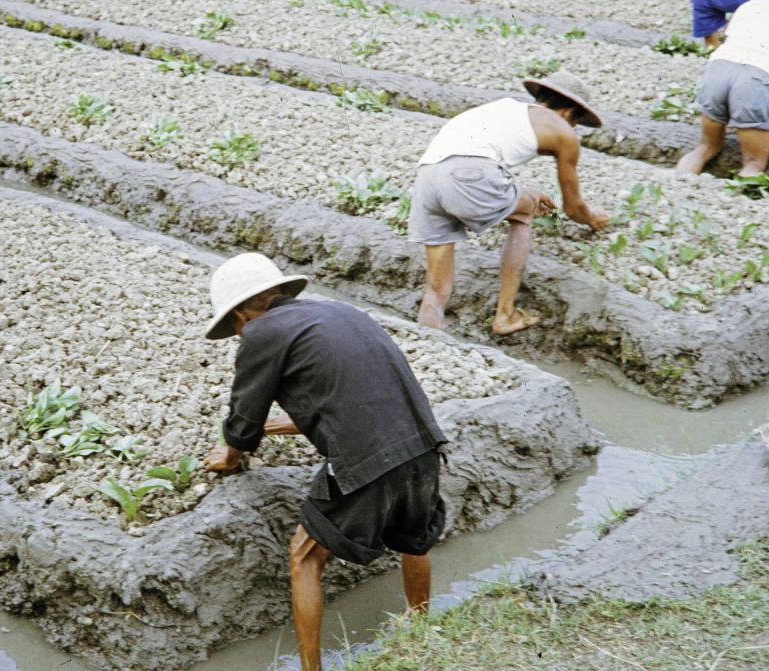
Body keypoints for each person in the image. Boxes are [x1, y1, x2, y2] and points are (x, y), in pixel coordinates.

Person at [202, 253, 447, 671]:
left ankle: (310, 669)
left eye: (235, 327)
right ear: (278, 292)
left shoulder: (261, 333)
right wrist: (275, 427)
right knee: (413, 537)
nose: (240, 334)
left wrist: (230, 454)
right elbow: (346, 397)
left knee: (303, 555)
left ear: (242, 313)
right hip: (423, 442)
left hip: (367, 456)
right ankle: (422, 629)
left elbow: (244, 419)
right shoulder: (337, 312)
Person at [408, 72, 609, 335]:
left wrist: (522, 193)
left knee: (435, 288)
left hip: (427, 177)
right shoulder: (563, 131)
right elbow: (573, 209)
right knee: (524, 214)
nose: (573, 131)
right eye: (576, 124)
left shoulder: (502, 109)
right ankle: (505, 314)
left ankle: (429, 338)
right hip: (469, 175)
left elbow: (465, 159)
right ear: (569, 113)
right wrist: (594, 218)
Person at [676, 0, 769, 177]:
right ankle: (738, 202)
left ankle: (679, 185)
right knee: (753, 163)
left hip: (718, 69)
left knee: (704, 147)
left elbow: (719, 39)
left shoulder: (748, 6)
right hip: (755, 76)